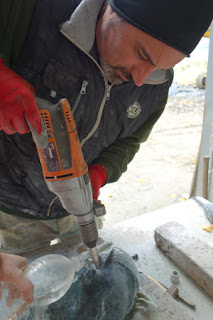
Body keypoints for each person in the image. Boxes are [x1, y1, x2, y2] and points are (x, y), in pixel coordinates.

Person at [0, 0, 212, 255]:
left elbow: (130, 140)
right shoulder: (30, 10)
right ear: (111, 8)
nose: (141, 78)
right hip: (7, 213)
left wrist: (102, 171)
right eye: (142, 54)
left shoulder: (156, 84)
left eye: (160, 66)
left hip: (72, 215)